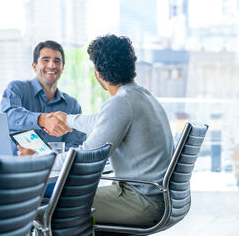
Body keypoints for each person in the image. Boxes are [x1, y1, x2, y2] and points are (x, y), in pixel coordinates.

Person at [19, 35, 174, 226]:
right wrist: (67, 119)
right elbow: (101, 122)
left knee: (43, 210)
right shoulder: (141, 95)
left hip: (140, 201)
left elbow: (85, 157)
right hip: (155, 196)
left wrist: (36, 159)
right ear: (132, 66)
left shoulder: (121, 102)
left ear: (98, 73)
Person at [0, 40, 86, 155]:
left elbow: (76, 146)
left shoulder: (72, 105)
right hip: (16, 168)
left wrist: (43, 156)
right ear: (34, 66)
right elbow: (8, 117)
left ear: (62, 67)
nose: (52, 65)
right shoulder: (16, 89)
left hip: (54, 171)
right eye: (45, 60)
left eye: (57, 61)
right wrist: (42, 120)